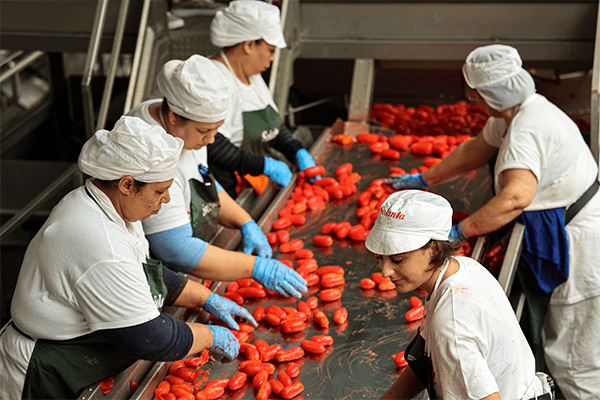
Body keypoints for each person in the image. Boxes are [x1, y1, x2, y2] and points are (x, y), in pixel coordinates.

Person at [385, 44, 600, 398]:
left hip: (581, 243)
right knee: (570, 352)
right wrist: (426, 179)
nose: (473, 102)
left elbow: (516, 197)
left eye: (474, 96)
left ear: (489, 94)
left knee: (576, 363)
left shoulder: (525, 131)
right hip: (577, 227)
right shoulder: (519, 113)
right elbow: (475, 149)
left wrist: (458, 232)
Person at [0, 116, 255, 400]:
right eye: (160, 190)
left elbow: (144, 271)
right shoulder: (99, 240)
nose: (168, 199)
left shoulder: (109, 207)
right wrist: (210, 336)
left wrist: (204, 298)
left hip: (75, 355)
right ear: (126, 184)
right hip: (48, 371)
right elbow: (149, 337)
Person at [127, 55, 308, 301]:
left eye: (216, 129)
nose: (211, 140)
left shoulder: (180, 124)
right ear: (173, 117)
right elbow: (174, 249)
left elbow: (204, 180)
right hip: (146, 274)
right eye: (204, 131)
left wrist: (245, 222)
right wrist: (255, 268)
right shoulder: (149, 150)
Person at [366, 190, 553, 400]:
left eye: (398, 259)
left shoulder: (451, 323)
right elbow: (426, 363)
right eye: (380, 258)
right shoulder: (459, 268)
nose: (385, 272)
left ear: (434, 250)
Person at [207, 0, 320, 198]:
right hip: (224, 191)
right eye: (271, 50)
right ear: (249, 44)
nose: (273, 58)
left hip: (249, 183)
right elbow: (210, 144)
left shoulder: (253, 76)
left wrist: (295, 150)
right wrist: (264, 165)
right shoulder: (211, 79)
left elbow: (271, 125)